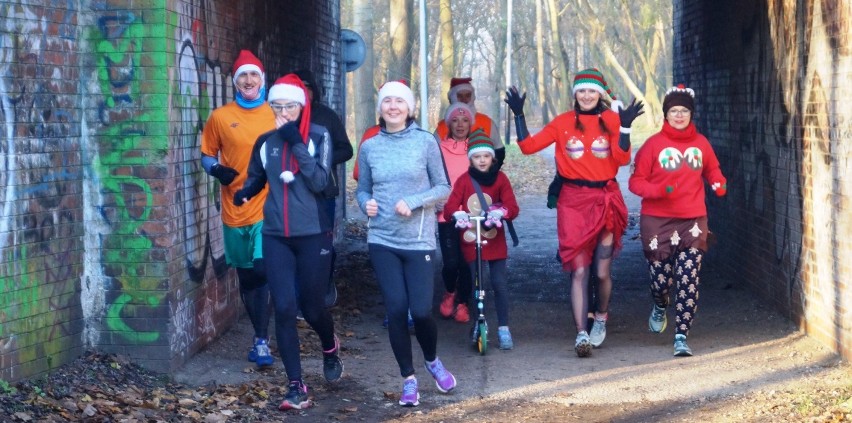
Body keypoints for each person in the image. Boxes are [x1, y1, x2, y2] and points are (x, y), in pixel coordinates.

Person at [504, 68, 644, 357]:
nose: (587, 95)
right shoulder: (563, 123)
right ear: (575, 94)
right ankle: (581, 333)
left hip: (605, 199)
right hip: (572, 202)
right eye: (581, 90)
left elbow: (622, 158)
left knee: (602, 271)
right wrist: (519, 115)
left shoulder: (612, 121)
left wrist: (626, 129)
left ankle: (601, 318)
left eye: (592, 90)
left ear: (600, 94)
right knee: (579, 270)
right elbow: (529, 147)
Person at [233, 74, 343, 410]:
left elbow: (321, 181)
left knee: (312, 307)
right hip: (276, 235)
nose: (283, 112)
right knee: (283, 307)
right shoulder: (265, 142)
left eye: (290, 106)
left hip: (312, 235)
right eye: (277, 106)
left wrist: (296, 140)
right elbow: (257, 175)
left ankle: (329, 345)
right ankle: (295, 387)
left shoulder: (318, 136)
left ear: (302, 106)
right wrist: (247, 191)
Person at [355, 80, 457, 407]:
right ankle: (408, 379)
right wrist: (365, 203)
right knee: (397, 310)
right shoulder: (370, 146)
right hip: (382, 238)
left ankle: (432, 360)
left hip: (418, 240)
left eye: (400, 101)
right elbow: (363, 189)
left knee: (422, 311)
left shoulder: (426, 142)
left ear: (410, 108)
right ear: (381, 109)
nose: (394, 107)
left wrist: (413, 201)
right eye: (388, 102)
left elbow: (443, 188)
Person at [628, 84, 726, 357]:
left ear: (691, 114)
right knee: (661, 281)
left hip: (692, 219)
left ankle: (681, 335)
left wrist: (718, 182)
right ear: (666, 114)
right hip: (657, 221)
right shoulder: (652, 145)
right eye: (674, 110)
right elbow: (635, 182)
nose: (679, 115)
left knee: (689, 276)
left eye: (684, 110)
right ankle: (660, 304)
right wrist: (658, 191)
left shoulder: (701, 143)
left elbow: (712, 168)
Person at [200, 50, 275, 368]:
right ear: (235, 81)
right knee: (247, 277)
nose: (248, 80)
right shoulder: (219, 116)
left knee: (261, 270)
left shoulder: (275, 114)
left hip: (267, 207)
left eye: (254, 75)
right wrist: (217, 170)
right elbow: (206, 154)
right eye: (243, 75)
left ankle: (263, 339)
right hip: (234, 208)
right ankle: (259, 337)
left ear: (262, 80)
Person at [442, 132, 520, 350]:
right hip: (471, 238)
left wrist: (501, 212)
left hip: (495, 238)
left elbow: (513, 207)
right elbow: (449, 208)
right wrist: (458, 214)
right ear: (471, 159)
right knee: (479, 282)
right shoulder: (464, 180)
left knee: (499, 283)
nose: (483, 160)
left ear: (493, 158)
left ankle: (503, 327)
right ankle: (479, 321)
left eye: (487, 156)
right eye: (478, 157)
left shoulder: (501, 179)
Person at [293, 69, 354, 308]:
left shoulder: (327, 116)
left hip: (322, 191)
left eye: (306, 87)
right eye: (297, 87)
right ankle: (299, 298)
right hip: (292, 192)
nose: (303, 92)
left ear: (313, 90)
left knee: (322, 243)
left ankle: (323, 287)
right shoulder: (284, 116)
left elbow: (347, 149)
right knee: (295, 244)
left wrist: (321, 159)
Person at [436, 102, 476, 324]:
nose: (460, 125)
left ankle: (463, 303)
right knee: (451, 263)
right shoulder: (439, 149)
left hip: (471, 215)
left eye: (465, 120)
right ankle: (450, 291)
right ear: (448, 123)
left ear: (471, 123)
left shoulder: (476, 148)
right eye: (455, 120)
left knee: (467, 262)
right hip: (447, 214)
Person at [434, 77, 506, 167]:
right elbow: (433, 158)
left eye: (468, 95)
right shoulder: (442, 127)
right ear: (452, 97)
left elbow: (499, 150)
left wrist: (490, 173)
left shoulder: (487, 122)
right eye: (460, 96)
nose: (464, 99)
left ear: (473, 97)